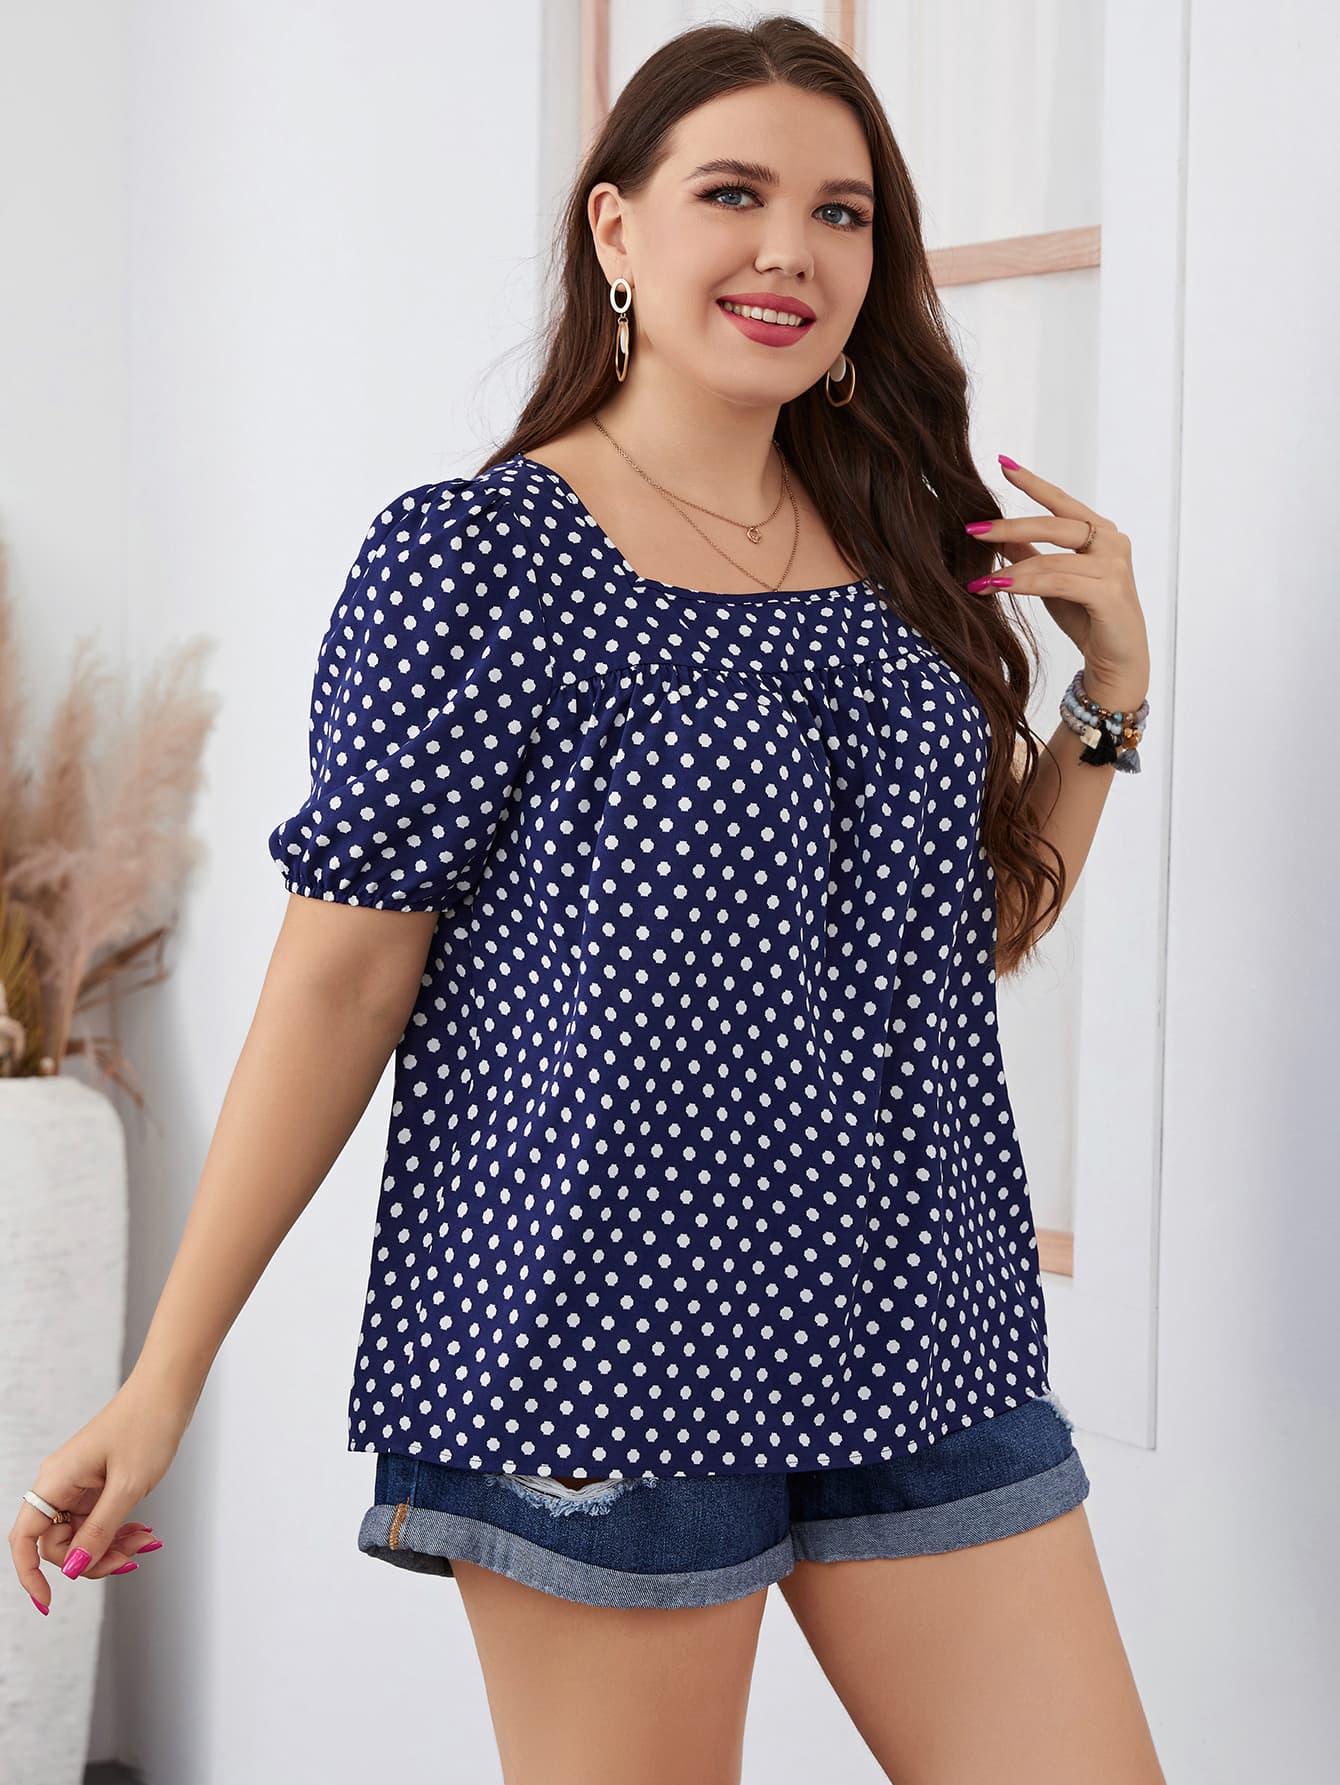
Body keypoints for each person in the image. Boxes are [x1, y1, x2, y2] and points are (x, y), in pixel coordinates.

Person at [12, 16, 1162, 1784]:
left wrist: (1110, 699)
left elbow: (963, 943)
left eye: (841, 213)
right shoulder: (482, 559)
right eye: (734, 194)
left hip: (923, 1323)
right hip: (600, 1343)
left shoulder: (902, 559)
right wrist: (164, 1376)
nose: (791, 251)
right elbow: (338, 987)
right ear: (616, 229)